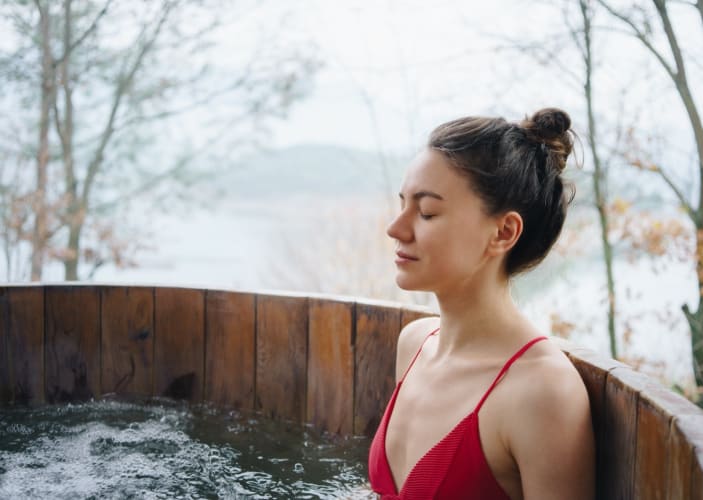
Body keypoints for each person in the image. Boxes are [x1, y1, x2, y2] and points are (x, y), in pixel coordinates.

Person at [367, 108, 595, 499]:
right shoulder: (415, 344)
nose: (396, 228)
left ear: (503, 232)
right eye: (403, 204)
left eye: (426, 212)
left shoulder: (542, 391)